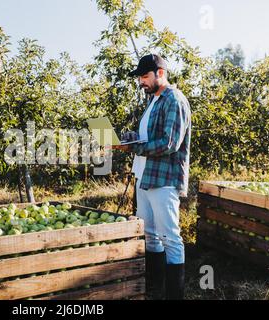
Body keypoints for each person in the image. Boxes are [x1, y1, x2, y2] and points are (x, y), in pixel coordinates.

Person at [113, 54, 192, 300]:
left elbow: (169, 143)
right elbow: (148, 136)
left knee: (170, 236)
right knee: (150, 234)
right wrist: (126, 139)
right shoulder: (154, 101)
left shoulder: (174, 100)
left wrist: (133, 148)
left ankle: (174, 294)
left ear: (160, 73)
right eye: (139, 78)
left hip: (164, 178)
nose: (141, 82)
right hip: (145, 176)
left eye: (144, 77)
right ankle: (156, 288)